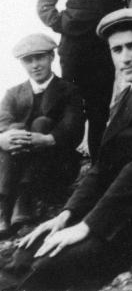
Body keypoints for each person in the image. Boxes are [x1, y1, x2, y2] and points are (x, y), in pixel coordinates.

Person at [0, 9, 132, 291]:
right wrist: (67, 215)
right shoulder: (131, 93)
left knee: (52, 264)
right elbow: (103, 166)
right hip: (131, 208)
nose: (125, 57)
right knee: (30, 249)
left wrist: (88, 226)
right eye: (117, 49)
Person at [36, 0, 131, 157]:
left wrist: (120, 31)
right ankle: (65, 163)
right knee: (72, 105)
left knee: (100, 107)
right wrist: (65, 24)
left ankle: (97, 163)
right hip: (75, 48)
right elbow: (44, 4)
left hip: (104, 46)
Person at [0, 35, 83, 237]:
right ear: (22, 63)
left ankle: (24, 198)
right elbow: (2, 119)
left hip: (56, 164)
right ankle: (5, 208)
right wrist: (4, 137)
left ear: (51, 57)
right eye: (28, 60)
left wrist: (47, 139)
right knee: (15, 129)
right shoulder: (14, 93)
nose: (35, 65)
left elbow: (73, 127)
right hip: (17, 163)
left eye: (40, 58)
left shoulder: (68, 90)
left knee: (41, 123)